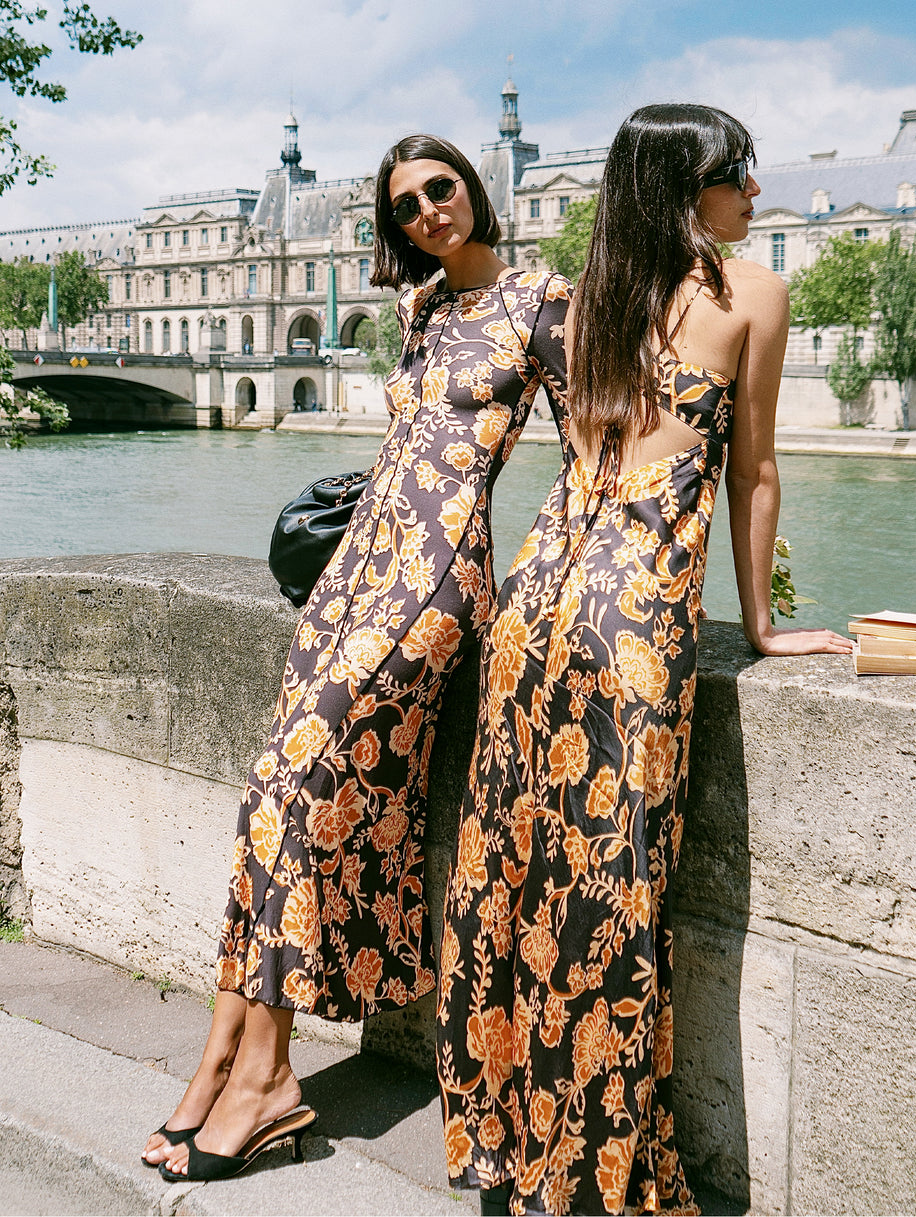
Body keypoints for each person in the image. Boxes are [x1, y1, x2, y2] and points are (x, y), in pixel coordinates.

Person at [436, 104, 852, 1216]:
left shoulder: (582, 302)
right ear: (685, 189)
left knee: (511, 876)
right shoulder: (749, 293)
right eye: (738, 173)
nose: (755, 192)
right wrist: (763, 630)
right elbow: (753, 474)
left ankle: (509, 1147)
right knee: (613, 900)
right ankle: (594, 1174)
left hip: (534, 605)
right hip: (629, 624)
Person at [142, 133, 572, 1181]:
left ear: (473, 189)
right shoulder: (420, 309)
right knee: (271, 790)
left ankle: (269, 1076)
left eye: (442, 188)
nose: (429, 210)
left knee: (307, 788)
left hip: (434, 580)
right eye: (408, 203)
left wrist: (563, 574)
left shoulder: (545, 302)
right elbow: (405, 446)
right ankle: (219, 1062)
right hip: (355, 570)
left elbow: (591, 447)